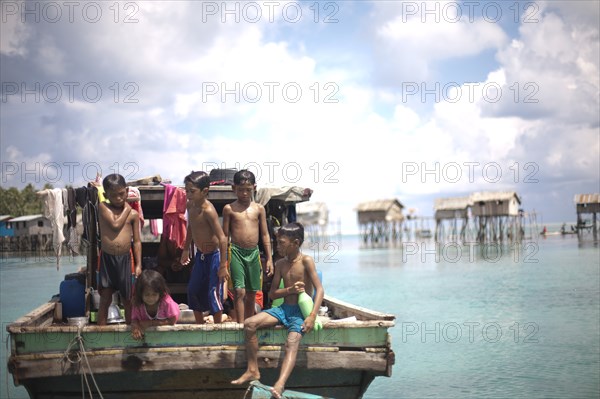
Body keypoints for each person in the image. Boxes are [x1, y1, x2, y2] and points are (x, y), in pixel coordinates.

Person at [231, 222, 324, 399]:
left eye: (281, 242)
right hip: (283, 309)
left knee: (291, 343)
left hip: (299, 313)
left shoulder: (306, 261)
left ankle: (280, 385)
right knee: (249, 324)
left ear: (295, 243)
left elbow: (320, 290)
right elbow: (272, 294)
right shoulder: (280, 264)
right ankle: (253, 369)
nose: (278, 246)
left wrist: (312, 316)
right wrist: (289, 290)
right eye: (277, 242)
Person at [223, 170, 274, 322]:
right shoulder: (229, 209)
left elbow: (265, 234)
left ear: (254, 188)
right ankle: (240, 326)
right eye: (240, 190)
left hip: (253, 253)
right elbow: (224, 236)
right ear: (234, 189)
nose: (244, 193)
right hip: (236, 252)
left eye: (248, 190)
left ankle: (248, 324)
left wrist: (270, 259)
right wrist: (222, 262)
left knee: (252, 292)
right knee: (239, 291)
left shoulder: (259, 209)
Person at [180, 171, 229, 324]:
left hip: (214, 256)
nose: (188, 194)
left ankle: (217, 327)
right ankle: (200, 325)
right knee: (192, 290)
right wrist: (186, 249)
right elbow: (191, 227)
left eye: (192, 191)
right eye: (186, 190)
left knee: (212, 292)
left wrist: (223, 265)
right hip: (200, 255)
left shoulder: (208, 210)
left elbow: (222, 238)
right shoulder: (190, 205)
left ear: (205, 191)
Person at [96, 174, 142, 325]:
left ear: (127, 191)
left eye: (121, 194)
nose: (118, 198)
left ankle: (130, 332)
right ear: (105, 195)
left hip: (125, 260)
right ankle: (100, 334)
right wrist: (127, 209)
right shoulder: (103, 207)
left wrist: (138, 265)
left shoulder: (133, 215)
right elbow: (115, 225)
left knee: (128, 299)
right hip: (107, 259)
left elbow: (136, 241)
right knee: (105, 298)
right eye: (113, 195)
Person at [130, 269, 180, 340]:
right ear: (140, 294)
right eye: (147, 295)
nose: (151, 298)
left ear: (160, 293)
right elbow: (134, 320)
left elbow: (172, 321)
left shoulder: (166, 302)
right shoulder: (138, 303)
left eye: (154, 294)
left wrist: (150, 323)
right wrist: (135, 328)